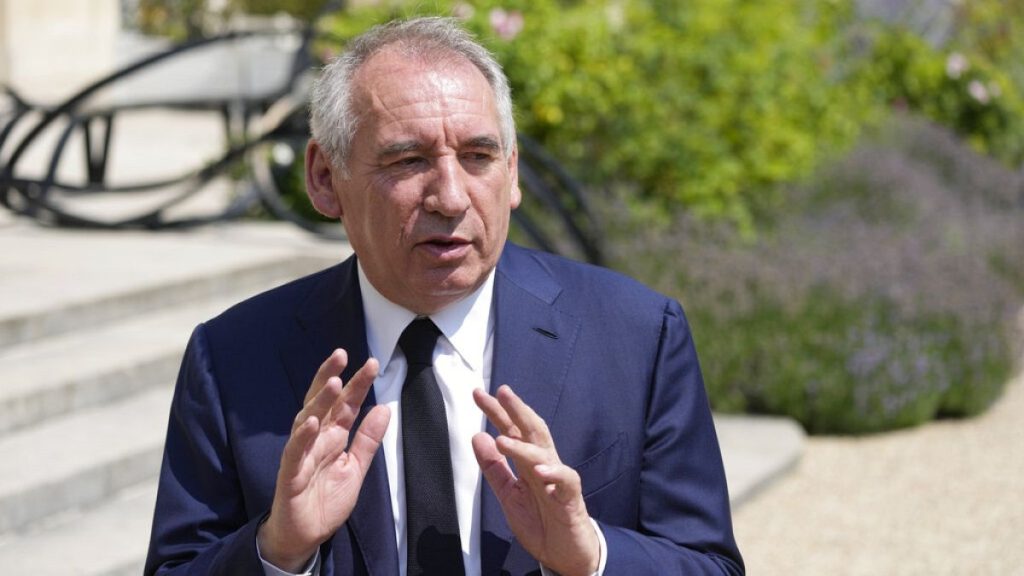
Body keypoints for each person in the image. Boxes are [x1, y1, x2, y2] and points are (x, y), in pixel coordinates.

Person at [145, 16, 743, 576]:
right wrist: (277, 550)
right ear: (325, 180)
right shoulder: (232, 358)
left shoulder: (636, 335)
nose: (450, 197)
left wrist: (591, 556)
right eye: (408, 160)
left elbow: (709, 564)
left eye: (479, 157)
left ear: (512, 174)